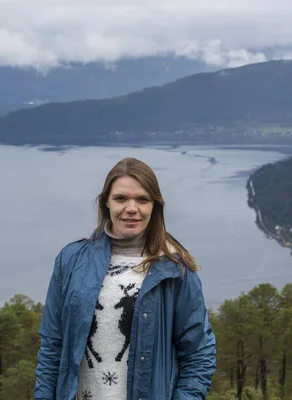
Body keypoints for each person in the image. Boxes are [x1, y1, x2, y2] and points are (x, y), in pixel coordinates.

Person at [35, 157, 216, 400]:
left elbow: (198, 354)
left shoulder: (174, 268)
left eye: (142, 199)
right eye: (121, 198)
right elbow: (52, 346)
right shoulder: (71, 261)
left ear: (155, 206)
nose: (132, 208)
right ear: (106, 203)